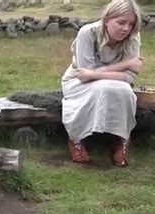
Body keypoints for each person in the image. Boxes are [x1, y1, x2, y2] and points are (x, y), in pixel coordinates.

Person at [61, 0, 143, 167]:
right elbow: (84, 75)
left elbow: (129, 78)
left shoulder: (133, 37)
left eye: (131, 24)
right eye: (121, 22)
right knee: (103, 88)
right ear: (107, 20)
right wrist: (125, 65)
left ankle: (121, 139)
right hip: (77, 83)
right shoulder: (88, 33)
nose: (126, 28)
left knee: (125, 91)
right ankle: (76, 138)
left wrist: (94, 73)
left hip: (112, 82)